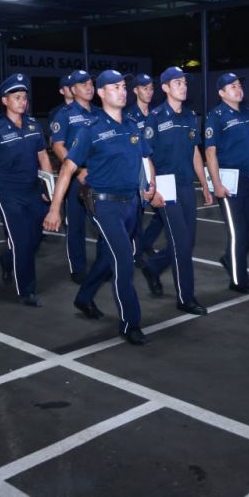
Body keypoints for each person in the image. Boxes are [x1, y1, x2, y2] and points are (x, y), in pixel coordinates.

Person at [44, 70, 157, 345]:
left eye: (123, 87)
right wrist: (55, 208)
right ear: (102, 93)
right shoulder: (90, 130)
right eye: (115, 87)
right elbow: (67, 169)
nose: (122, 91)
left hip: (132, 204)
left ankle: (84, 296)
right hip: (104, 205)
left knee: (108, 257)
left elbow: (146, 158)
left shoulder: (131, 125)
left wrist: (151, 185)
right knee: (124, 261)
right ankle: (130, 323)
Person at [141, 66, 213, 315]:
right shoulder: (156, 117)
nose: (183, 87)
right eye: (178, 83)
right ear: (165, 88)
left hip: (185, 185)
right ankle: (186, 298)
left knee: (187, 241)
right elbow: (146, 156)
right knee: (181, 242)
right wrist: (152, 188)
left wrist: (204, 184)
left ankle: (153, 267)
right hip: (164, 185)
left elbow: (195, 152)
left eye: (184, 83)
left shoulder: (190, 116)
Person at [0, 73, 52, 306]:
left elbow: (43, 157)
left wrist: (48, 187)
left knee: (35, 238)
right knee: (21, 241)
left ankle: (7, 260)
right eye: (17, 97)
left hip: (33, 191)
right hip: (8, 194)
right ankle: (26, 291)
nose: (22, 102)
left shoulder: (33, 125)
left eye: (24, 97)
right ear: (5, 101)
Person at [205, 72, 249, 294]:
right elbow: (210, 153)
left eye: (239, 85)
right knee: (237, 233)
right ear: (222, 93)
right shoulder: (216, 116)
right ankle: (239, 281)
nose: (238, 89)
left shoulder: (248, 113)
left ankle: (231, 257)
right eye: (232, 87)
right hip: (229, 182)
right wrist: (217, 184)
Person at [50, 69, 99, 282]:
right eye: (83, 84)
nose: (89, 88)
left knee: (103, 223)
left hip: (99, 175)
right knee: (76, 225)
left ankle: (103, 264)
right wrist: (78, 170)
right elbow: (57, 146)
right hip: (75, 178)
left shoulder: (99, 112)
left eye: (91, 84)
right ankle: (78, 268)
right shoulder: (64, 114)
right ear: (72, 89)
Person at [124, 73, 162, 264]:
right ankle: (137, 253)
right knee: (136, 214)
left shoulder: (157, 113)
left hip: (159, 168)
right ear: (135, 90)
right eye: (145, 88)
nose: (149, 92)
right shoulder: (128, 116)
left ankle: (145, 243)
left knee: (162, 212)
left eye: (151, 88)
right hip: (139, 170)